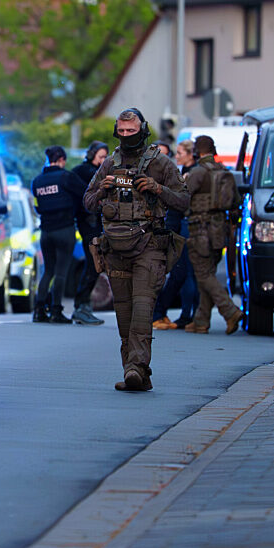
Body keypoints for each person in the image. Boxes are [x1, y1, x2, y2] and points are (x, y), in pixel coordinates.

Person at [83, 109, 188, 392]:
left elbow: (183, 200)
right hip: (115, 247)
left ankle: (136, 368)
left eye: (132, 131)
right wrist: (103, 190)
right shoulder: (109, 163)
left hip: (150, 246)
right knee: (124, 313)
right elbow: (88, 201)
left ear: (143, 129)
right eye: (122, 131)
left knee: (142, 309)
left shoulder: (161, 163)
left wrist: (157, 188)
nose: (127, 136)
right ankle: (135, 371)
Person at [183, 135, 244, 335]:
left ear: (196, 152)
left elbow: (182, 198)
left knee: (203, 273)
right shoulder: (224, 172)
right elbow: (235, 202)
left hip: (199, 229)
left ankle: (230, 311)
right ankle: (201, 321)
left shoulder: (197, 172)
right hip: (220, 230)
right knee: (207, 273)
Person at [30, 145, 85, 324]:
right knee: (61, 272)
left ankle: (39, 310)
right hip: (65, 229)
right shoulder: (66, 177)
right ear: (62, 160)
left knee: (48, 271)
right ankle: (56, 310)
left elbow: (37, 206)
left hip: (46, 231)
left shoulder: (37, 181)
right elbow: (85, 194)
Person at [152, 140, 199, 330]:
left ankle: (174, 314)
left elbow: (177, 205)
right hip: (157, 229)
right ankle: (160, 314)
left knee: (181, 273)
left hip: (175, 228)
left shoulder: (181, 175)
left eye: (166, 154)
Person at [70, 142, 108, 325]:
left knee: (95, 265)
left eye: (105, 157)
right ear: (92, 154)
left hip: (94, 223)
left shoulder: (91, 172)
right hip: (88, 223)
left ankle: (83, 306)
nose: (103, 160)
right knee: (94, 264)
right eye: (100, 156)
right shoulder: (84, 172)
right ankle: (82, 306)